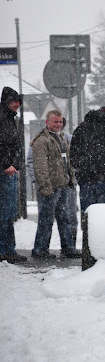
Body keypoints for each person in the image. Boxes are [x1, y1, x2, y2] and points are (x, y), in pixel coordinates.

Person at [30, 110, 80, 259]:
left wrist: (71, 180)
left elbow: (67, 162)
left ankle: (68, 248)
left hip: (63, 186)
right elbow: (40, 166)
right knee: (46, 220)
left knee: (64, 218)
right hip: (50, 187)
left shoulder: (62, 138)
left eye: (60, 122)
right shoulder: (41, 141)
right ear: (47, 123)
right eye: (55, 122)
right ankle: (40, 249)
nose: (58, 125)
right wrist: (45, 186)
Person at [70, 106, 105, 216]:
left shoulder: (82, 127)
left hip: (87, 178)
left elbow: (73, 154)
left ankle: (88, 232)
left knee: (88, 215)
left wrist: (83, 167)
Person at [0, 87, 27, 263]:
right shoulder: (3, 119)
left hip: (11, 171)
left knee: (9, 211)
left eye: (18, 101)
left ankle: (8, 248)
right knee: (5, 212)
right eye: (14, 101)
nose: (17, 104)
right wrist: (6, 164)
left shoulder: (11, 119)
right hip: (5, 171)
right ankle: (4, 249)